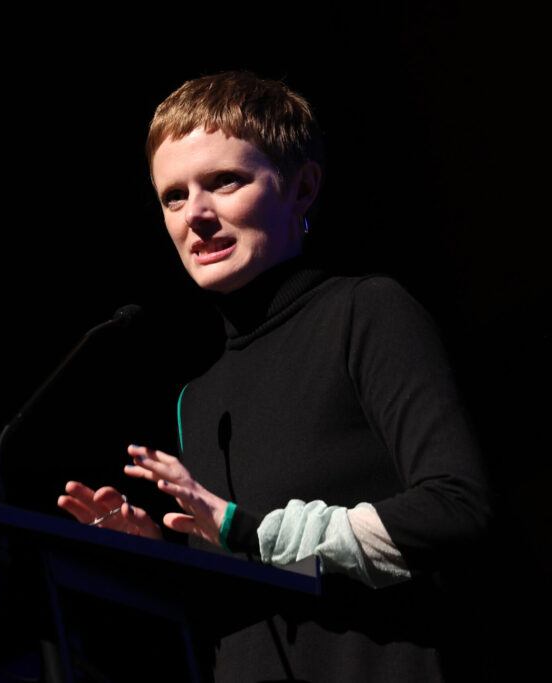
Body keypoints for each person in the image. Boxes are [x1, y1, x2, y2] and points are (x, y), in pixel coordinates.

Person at [57, 71, 491, 681]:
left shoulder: (365, 312)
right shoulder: (198, 399)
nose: (195, 216)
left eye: (224, 182)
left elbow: (458, 509)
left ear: (303, 187)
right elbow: (239, 601)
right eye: (173, 197)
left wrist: (247, 531)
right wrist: (151, 557)